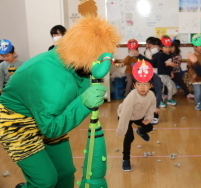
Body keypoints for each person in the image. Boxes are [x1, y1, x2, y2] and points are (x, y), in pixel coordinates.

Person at [0, 16, 120, 188]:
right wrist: (84, 103)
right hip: (15, 119)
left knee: (65, 172)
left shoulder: (74, 62)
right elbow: (50, 129)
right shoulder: (53, 79)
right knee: (44, 181)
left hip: (46, 113)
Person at [116, 60, 156, 171]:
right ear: (134, 85)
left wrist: (148, 118)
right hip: (126, 116)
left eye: (146, 84)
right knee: (129, 137)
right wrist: (121, 129)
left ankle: (140, 131)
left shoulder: (151, 95)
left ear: (150, 85)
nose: (142, 87)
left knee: (149, 127)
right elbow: (125, 115)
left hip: (139, 116)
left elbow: (151, 108)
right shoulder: (131, 96)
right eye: (139, 84)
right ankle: (126, 159)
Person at [187, 34, 201, 110]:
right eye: (200, 46)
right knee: (198, 92)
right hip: (196, 79)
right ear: (195, 47)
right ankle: (197, 103)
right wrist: (193, 76)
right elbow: (189, 68)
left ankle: (199, 100)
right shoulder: (192, 56)